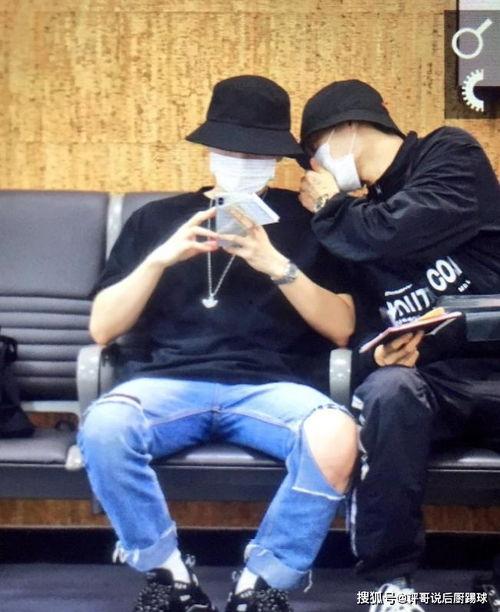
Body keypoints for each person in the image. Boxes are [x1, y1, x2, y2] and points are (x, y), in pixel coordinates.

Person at [78, 75, 358, 612]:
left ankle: (261, 582)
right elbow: (103, 329)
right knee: (104, 426)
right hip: (167, 383)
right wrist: (160, 259)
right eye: (231, 149)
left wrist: (276, 264)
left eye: (256, 153)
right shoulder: (157, 218)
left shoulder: (311, 223)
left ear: (275, 158)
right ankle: (169, 574)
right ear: (209, 150)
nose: (243, 161)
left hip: (273, 388)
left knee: (336, 435)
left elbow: (342, 327)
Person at [298, 78, 500, 612]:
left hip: (492, 363)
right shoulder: (350, 222)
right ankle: (389, 585)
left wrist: (331, 208)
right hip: (427, 379)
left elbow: (394, 231)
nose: (313, 168)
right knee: (386, 391)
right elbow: (366, 322)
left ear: (345, 128)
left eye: (314, 151)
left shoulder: (448, 153)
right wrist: (378, 353)